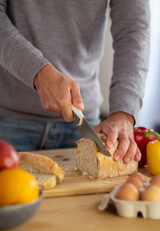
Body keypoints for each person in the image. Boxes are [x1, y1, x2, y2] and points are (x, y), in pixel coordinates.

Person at [0, 0, 150, 164]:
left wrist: (124, 112)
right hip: (7, 121)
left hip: (86, 122)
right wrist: (38, 71)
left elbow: (133, 32)